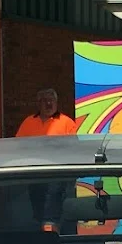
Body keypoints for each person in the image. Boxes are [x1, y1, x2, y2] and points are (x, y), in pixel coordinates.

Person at [15, 88, 78, 230]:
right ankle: (43, 233)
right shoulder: (28, 122)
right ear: (38, 103)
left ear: (56, 102)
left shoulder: (66, 122)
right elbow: (18, 146)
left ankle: (53, 232)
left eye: (51, 100)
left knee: (53, 208)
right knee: (38, 208)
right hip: (35, 173)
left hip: (58, 172)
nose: (49, 104)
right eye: (44, 101)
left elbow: (74, 148)